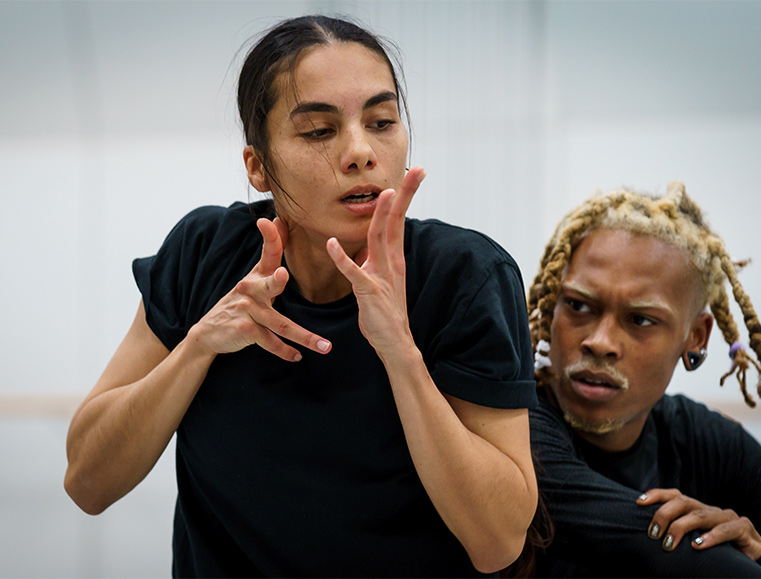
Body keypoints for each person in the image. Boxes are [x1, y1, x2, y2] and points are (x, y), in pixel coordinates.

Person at [64, 15, 540, 577]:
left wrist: (401, 356)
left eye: (382, 121)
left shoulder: (466, 276)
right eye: (319, 131)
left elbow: (500, 541)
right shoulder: (205, 254)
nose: (360, 152)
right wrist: (199, 346)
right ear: (258, 167)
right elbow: (88, 481)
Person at [526, 182, 761, 577]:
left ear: (695, 337)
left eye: (640, 319)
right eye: (578, 305)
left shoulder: (706, 441)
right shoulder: (515, 426)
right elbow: (681, 557)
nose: (600, 342)